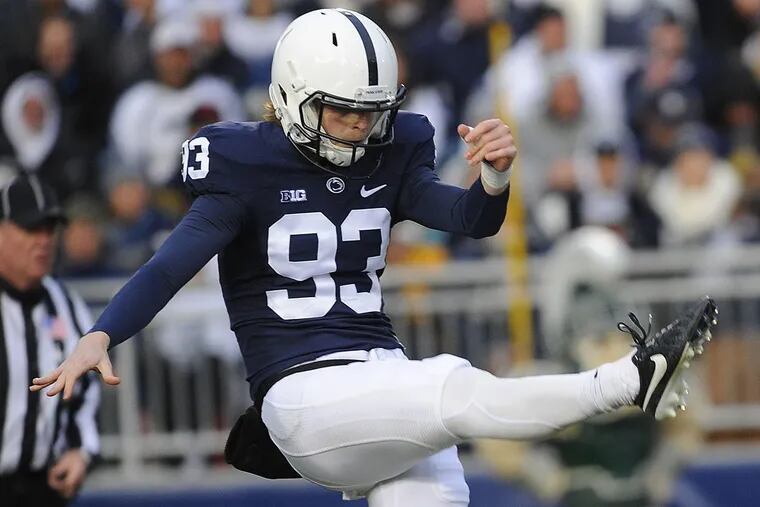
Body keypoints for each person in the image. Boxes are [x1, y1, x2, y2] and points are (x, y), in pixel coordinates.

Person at [32, 9, 717, 507]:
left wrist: (495, 176)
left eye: (371, 110)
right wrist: (101, 333)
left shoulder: (391, 151)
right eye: (341, 111)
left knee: (437, 484)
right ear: (293, 96)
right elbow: (168, 267)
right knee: (450, 385)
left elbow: (471, 218)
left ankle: (628, 382)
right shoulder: (242, 166)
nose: (360, 125)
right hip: (302, 393)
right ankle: (626, 382)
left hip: (382, 379)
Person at [0, 173, 99, 507]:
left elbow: (85, 393)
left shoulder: (66, 305)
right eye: (31, 229)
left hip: (43, 488)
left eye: (49, 230)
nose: (43, 241)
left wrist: (80, 451)